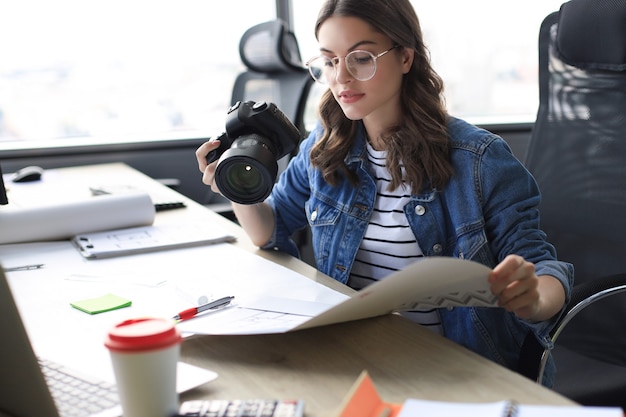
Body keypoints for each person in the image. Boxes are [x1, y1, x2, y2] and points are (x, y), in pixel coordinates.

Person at [196, 0, 573, 386]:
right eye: (329, 61)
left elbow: (544, 270)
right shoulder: (323, 149)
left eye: (360, 58)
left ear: (405, 57)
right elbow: (267, 230)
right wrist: (236, 186)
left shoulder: (479, 160)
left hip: (452, 370)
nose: (341, 77)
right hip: (355, 358)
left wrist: (533, 298)